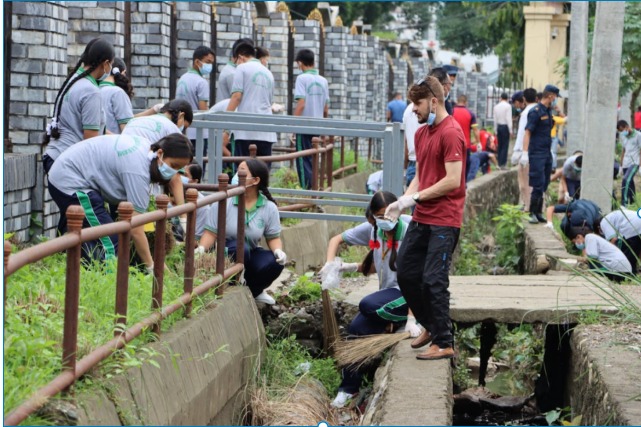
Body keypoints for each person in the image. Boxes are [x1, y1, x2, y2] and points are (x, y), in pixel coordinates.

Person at [385, 75, 466, 360]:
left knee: (433, 278)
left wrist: (414, 198)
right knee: (405, 270)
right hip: (422, 215)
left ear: (433, 101)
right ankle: (430, 326)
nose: (413, 110)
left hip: (445, 218)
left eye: (417, 104)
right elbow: (421, 176)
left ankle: (444, 341)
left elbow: (452, 180)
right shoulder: (421, 134)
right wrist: (401, 202)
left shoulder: (452, 132)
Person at [319, 191, 421, 408]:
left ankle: (403, 320)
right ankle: (349, 389)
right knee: (355, 329)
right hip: (389, 296)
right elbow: (336, 240)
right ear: (372, 217)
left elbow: (419, 277)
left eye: (387, 214)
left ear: (398, 209)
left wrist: (412, 318)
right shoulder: (374, 229)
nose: (384, 220)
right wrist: (334, 265)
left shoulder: (412, 228)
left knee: (367, 305)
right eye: (378, 216)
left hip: (411, 294)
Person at [47, 133, 194, 268]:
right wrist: (152, 267)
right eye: (173, 165)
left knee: (86, 233)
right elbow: (136, 228)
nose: (174, 172)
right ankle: (112, 281)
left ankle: (68, 267)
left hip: (72, 174)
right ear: (160, 153)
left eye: (179, 169)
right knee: (110, 241)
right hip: (71, 181)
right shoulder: (138, 170)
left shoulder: (148, 151)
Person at [197, 159, 286, 305]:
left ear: (256, 180)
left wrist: (278, 251)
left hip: (250, 251)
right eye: (238, 170)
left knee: (274, 262)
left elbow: (272, 237)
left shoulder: (269, 207)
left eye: (242, 171)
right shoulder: (225, 201)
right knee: (240, 248)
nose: (237, 175)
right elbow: (211, 232)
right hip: (225, 249)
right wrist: (201, 249)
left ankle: (254, 290)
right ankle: (231, 283)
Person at [42, 38, 115, 174]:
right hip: (68, 164)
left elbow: (96, 130)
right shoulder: (91, 91)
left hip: (54, 156)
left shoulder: (74, 79)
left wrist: (117, 140)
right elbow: (90, 142)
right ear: (105, 64)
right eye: (111, 64)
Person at [226, 42, 277, 158]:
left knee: (242, 172)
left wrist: (225, 121)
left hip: (245, 132)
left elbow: (236, 97)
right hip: (266, 132)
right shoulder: (268, 73)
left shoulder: (241, 68)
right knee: (262, 172)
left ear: (240, 57)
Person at [521, 84, 560, 224]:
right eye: (555, 97)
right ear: (550, 96)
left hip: (546, 152)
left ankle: (538, 212)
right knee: (537, 184)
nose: (556, 100)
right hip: (537, 153)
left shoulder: (548, 111)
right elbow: (528, 132)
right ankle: (532, 212)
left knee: (545, 183)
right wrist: (525, 153)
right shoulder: (536, 111)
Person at [293, 49, 330, 189]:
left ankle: (307, 191)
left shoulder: (302, 78)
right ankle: (315, 188)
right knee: (314, 158)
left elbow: (301, 103)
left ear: (300, 63)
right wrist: (324, 127)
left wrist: (292, 124)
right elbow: (326, 109)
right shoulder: (323, 80)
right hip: (318, 125)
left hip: (304, 125)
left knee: (303, 160)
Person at [99, 58, 160, 134]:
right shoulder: (117, 92)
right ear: (123, 72)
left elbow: (127, 118)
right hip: (114, 143)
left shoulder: (95, 89)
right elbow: (128, 128)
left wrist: (153, 110)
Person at [176, 45, 215, 158]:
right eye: (208, 62)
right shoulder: (201, 82)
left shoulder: (183, 79)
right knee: (198, 165)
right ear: (197, 61)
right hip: (198, 133)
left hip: (183, 130)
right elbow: (203, 109)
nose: (210, 66)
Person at [599, 208, 641, 272]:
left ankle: (627, 274)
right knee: (636, 249)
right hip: (636, 221)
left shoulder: (604, 222)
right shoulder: (615, 216)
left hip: (632, 226)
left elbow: (613, 240)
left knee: (625, 256)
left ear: (598, 228)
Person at [452, 94, 480, 182]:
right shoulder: (470, 114)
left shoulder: (451, 112)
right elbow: (475, 130)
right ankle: (463, 185)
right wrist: (478, 142)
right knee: (465, 165)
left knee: (452, 165)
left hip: (452, 144)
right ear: (465, 102)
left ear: (457, 101)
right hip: (465, 145)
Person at [216, 38, 254, 103]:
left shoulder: (232, 70)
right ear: (241, 56)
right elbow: (237, 98)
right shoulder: (232, 74)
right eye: (248, 56)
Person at [616, 120, 641, 206]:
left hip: (634, 162)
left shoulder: (638, 135)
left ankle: (624, 203)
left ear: (627, 127)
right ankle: (633, 201)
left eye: (622, 130)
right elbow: (623, 151)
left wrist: (640, 165)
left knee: (625, 180)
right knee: (630, 182)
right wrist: (621, 165)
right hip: (626, 163)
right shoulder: (624, 137)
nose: (622, 133)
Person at [402, 102, 423, 187]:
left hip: (412, 160)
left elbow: (406, 141)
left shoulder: (408, 110)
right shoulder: (427, 110)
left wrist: (405, 166)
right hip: (421, 161)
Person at [493, 92, 512, 167]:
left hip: (498, 126)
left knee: (500, 145)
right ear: (507, 99)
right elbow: (508, 119)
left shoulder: (496, 106)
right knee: (505, 145)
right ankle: (503, 163)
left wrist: (495, 130)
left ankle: (499, 161)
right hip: (505, 126)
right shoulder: (508, 106)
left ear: (500, 98)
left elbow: (495, 119)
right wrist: (510, 130)